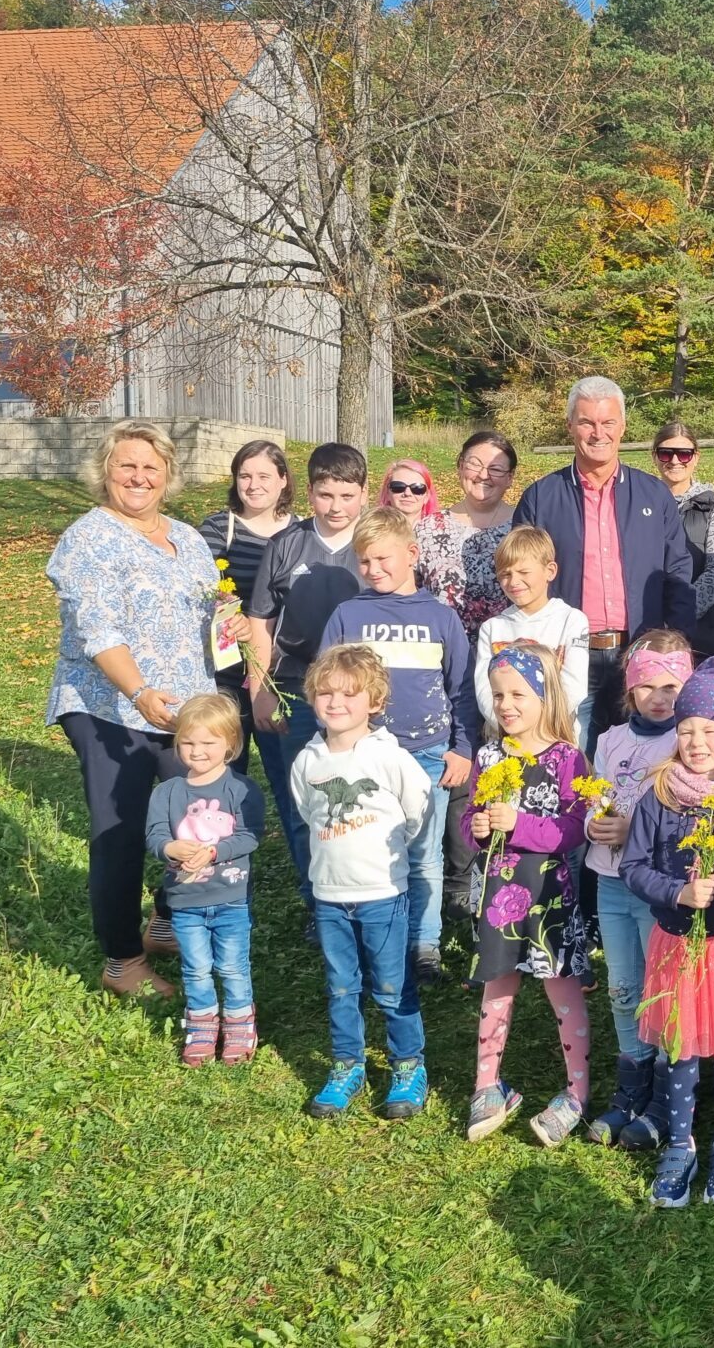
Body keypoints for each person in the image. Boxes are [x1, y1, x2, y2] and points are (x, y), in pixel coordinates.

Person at [47, 420, 220, 998]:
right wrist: (139, 691)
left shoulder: (187, 537)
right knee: (120, 829)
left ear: (168, 474)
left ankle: (166, 920)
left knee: (199, 814)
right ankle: (122, 961)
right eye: (127, 465)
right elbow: (96, 629)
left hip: (186, 709)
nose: (139, 477)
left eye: (151, 467)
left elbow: (206, 609)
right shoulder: (88, 539)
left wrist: (232, 626)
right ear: (106, 471)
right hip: (109, 707)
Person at [618, 656, 714, 1209]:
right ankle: (680, 1143)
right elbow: (633, 866)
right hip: (676, 944)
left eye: (709, 731)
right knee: (680, 1046)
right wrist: (677, 892)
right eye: (686, 732)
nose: (697, 743)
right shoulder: (660, 795)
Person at [321, 507, 479, 979]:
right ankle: (379, 938)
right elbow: (327, 684)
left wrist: (462, 748)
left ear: (412, 553)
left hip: (428, 754)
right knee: (370, 851)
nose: (374, 569)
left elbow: (462, 689)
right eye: (365, 561)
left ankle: (424, 943)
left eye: (383, 558)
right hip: (364, 757)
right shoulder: (349, 615)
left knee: (424, 853)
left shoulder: (441, 617)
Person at [288, 645, 432, 1121]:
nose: (336, 702)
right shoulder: (307, 762)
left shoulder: (388, 758)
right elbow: (308, 813)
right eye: (326, 693)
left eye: (349, 694)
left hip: (382, 896)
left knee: (392, 986)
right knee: (341, 988)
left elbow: (418, 808)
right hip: (330, 897)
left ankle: (408, 1065)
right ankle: (347, 1065)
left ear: (375, 702)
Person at [510, 376, 695, 743]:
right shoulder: (541, 498)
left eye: (608, 422)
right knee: (574, 756)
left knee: (643, 756)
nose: (598, 433)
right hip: (568, 655)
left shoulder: (653, 494)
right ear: (570, 426)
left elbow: (677, 571)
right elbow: (521, 579)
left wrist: (676, 644)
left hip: (641, 653)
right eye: (587, 422)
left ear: (622, 426)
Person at [461, 646, 596, 1147]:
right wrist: (477, 829)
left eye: (518, 694)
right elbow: (469, 817)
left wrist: (519, 825)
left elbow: (573, 829)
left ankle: (577, 1092)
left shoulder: (567, 757)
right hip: (498, 893)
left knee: (562, 988)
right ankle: (487, 1085)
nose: (506, 705)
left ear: (545, 696)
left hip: (548, 897)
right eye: (498, 695)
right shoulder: (488, 756)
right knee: (497, 984)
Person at [245, 443, 370, 924]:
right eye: (325, 495)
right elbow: (260, 622)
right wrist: (260, 690)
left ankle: (368, 899)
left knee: (362, 799)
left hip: (362, 697)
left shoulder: (374, 542)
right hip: (297, 690)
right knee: (305, 803)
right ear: (310, 491)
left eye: (346, 495)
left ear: (364, 493)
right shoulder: (286, 544)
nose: (336, 507)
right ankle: (320, 904)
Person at [583, 632, 694, 1151]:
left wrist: (634, 832)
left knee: (662, 986)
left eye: (671, 686)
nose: (659, 697)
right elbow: (595, 796)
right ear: (629, 690)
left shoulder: (684, 743)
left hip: (655, 887)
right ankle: (632, 1084)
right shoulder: (609, 740)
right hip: (610, 882)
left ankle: (666, 1097)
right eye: (647, 686)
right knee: (622, 986)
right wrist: (594, 824)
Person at [145, 692, 265, 1067]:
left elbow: (249, 836)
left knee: (232, 966)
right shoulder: (166, 792)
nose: (197, 751)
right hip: (185, 901)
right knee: (195, 967)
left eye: (208, 743)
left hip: (231, 898)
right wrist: (170, 848)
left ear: (230, 743)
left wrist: (213, 852)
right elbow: (155, 836)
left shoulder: (241, 789)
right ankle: (201, 1025)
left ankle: (240, 1022)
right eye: (188, 743)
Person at [198, 440, 295, 850]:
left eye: (264, 476)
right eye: (245, 476)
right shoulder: (216, 530)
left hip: (279, 677)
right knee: (221, 776)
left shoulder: (301, 532)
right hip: (225, 676)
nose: (253, 485)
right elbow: (195, 594)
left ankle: (304, 867)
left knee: (288, 778)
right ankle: (221, 860)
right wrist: (220, 615)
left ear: (283, 480)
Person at [473, 527, 591, 742]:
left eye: (523, 572)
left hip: (555, 738)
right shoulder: (492, 628)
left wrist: (535, 731)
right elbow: (484, 690)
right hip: (505, 739)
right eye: (505, 574)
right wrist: (512, 726)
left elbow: (573, 686)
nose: (513, 582)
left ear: (550, 571)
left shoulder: (572, 620)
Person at [415, 430, 519, 639]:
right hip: (441, 647)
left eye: (495, 469)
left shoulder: (523, 526)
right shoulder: (428, 529)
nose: (483, 475)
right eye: (475, 464)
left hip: (508, 649)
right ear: (461, 466)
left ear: (510, 478)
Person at [654, 421, 714, 659]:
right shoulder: (641, 503)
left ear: (696, 457)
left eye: (684, 454)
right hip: (649, 625)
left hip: (701, 631)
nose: (675, 460)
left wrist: (680, 614)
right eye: (666, 453)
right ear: (654, 457)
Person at [376, 459, 441, 520]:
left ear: (427, 496)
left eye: (417, 488)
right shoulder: (372, 528)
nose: (407, 493)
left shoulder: (441, 527)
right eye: (398, 487)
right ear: (387, 493)